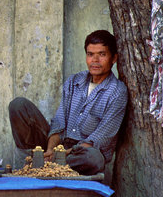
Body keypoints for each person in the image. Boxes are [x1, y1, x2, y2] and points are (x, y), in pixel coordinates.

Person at [8, 30, 128, 175]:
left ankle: (42, 165)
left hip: (80, 152)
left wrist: (62, 155)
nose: (95, 60)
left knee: (94, 158)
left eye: (102, 54)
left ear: (113, 58)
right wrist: (51, 149)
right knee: (19, 105)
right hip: (58, 145)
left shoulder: (117, 92)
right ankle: (37, 160)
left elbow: (99, 139)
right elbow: (59, 123)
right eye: (90, 54)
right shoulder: (74, 81)